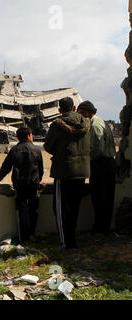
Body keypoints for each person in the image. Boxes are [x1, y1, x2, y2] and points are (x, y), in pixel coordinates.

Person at [44, 97, 91, 249]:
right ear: (74, 107)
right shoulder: (86, 122)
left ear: (59, 110)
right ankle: (72, 241)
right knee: (74, 206)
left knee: (60, 208)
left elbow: (48, 146)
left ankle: (66, 242)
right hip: (82, 170)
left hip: (64, 170)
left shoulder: (57, 124)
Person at [0, 127, 44, 245]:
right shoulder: (37, 150)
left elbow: (5, 168)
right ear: (29, 135)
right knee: (33, 211)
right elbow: (41, 169)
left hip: (20, 185)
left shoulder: (14, 150)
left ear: (18, 137)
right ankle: (32, 235)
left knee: (22, 211)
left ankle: (23, 238)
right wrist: (38, 181)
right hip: (34, 185)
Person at [77, 100, 117, 235]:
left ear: (87, 113)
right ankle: (102, 226)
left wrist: (84, 155)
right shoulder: (100, 122)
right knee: (102, 197)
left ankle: (102, 228)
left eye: (81, 114)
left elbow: (98, 149)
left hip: (102, 164)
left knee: (101, 198)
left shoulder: (95, 125)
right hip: (104, 164)